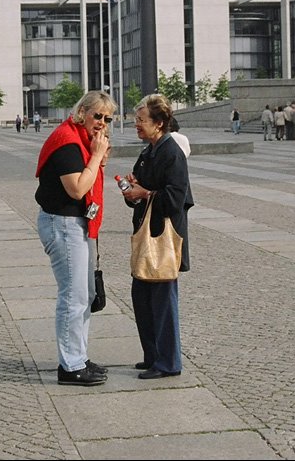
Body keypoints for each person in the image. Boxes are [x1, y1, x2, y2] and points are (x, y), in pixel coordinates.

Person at [35, 90, 115, 386]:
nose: (102, 122)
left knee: (86, 295)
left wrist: (99, 158)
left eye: (107, 118)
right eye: (97, 115)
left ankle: (78, 357)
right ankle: (70, 366)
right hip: (63, 223)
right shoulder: (67, 142)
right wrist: (95, 156)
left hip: (75, 223)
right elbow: (78, 189)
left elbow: (91, 178)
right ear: (82, 111)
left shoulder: (80, 139)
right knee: (74, 296)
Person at [122, 94, 193, 379]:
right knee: (142, 297)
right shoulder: (148, 151)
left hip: (163, 238)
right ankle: (153, 356)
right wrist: (133, 191)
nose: (136, 125)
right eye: (136, 120)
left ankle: (168, 362)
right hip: (146, 234)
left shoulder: (171, 152)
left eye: (141, 121)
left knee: (162, 301)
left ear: (159, 123)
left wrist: (145, 193)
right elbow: (140, 194)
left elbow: (176, 198)